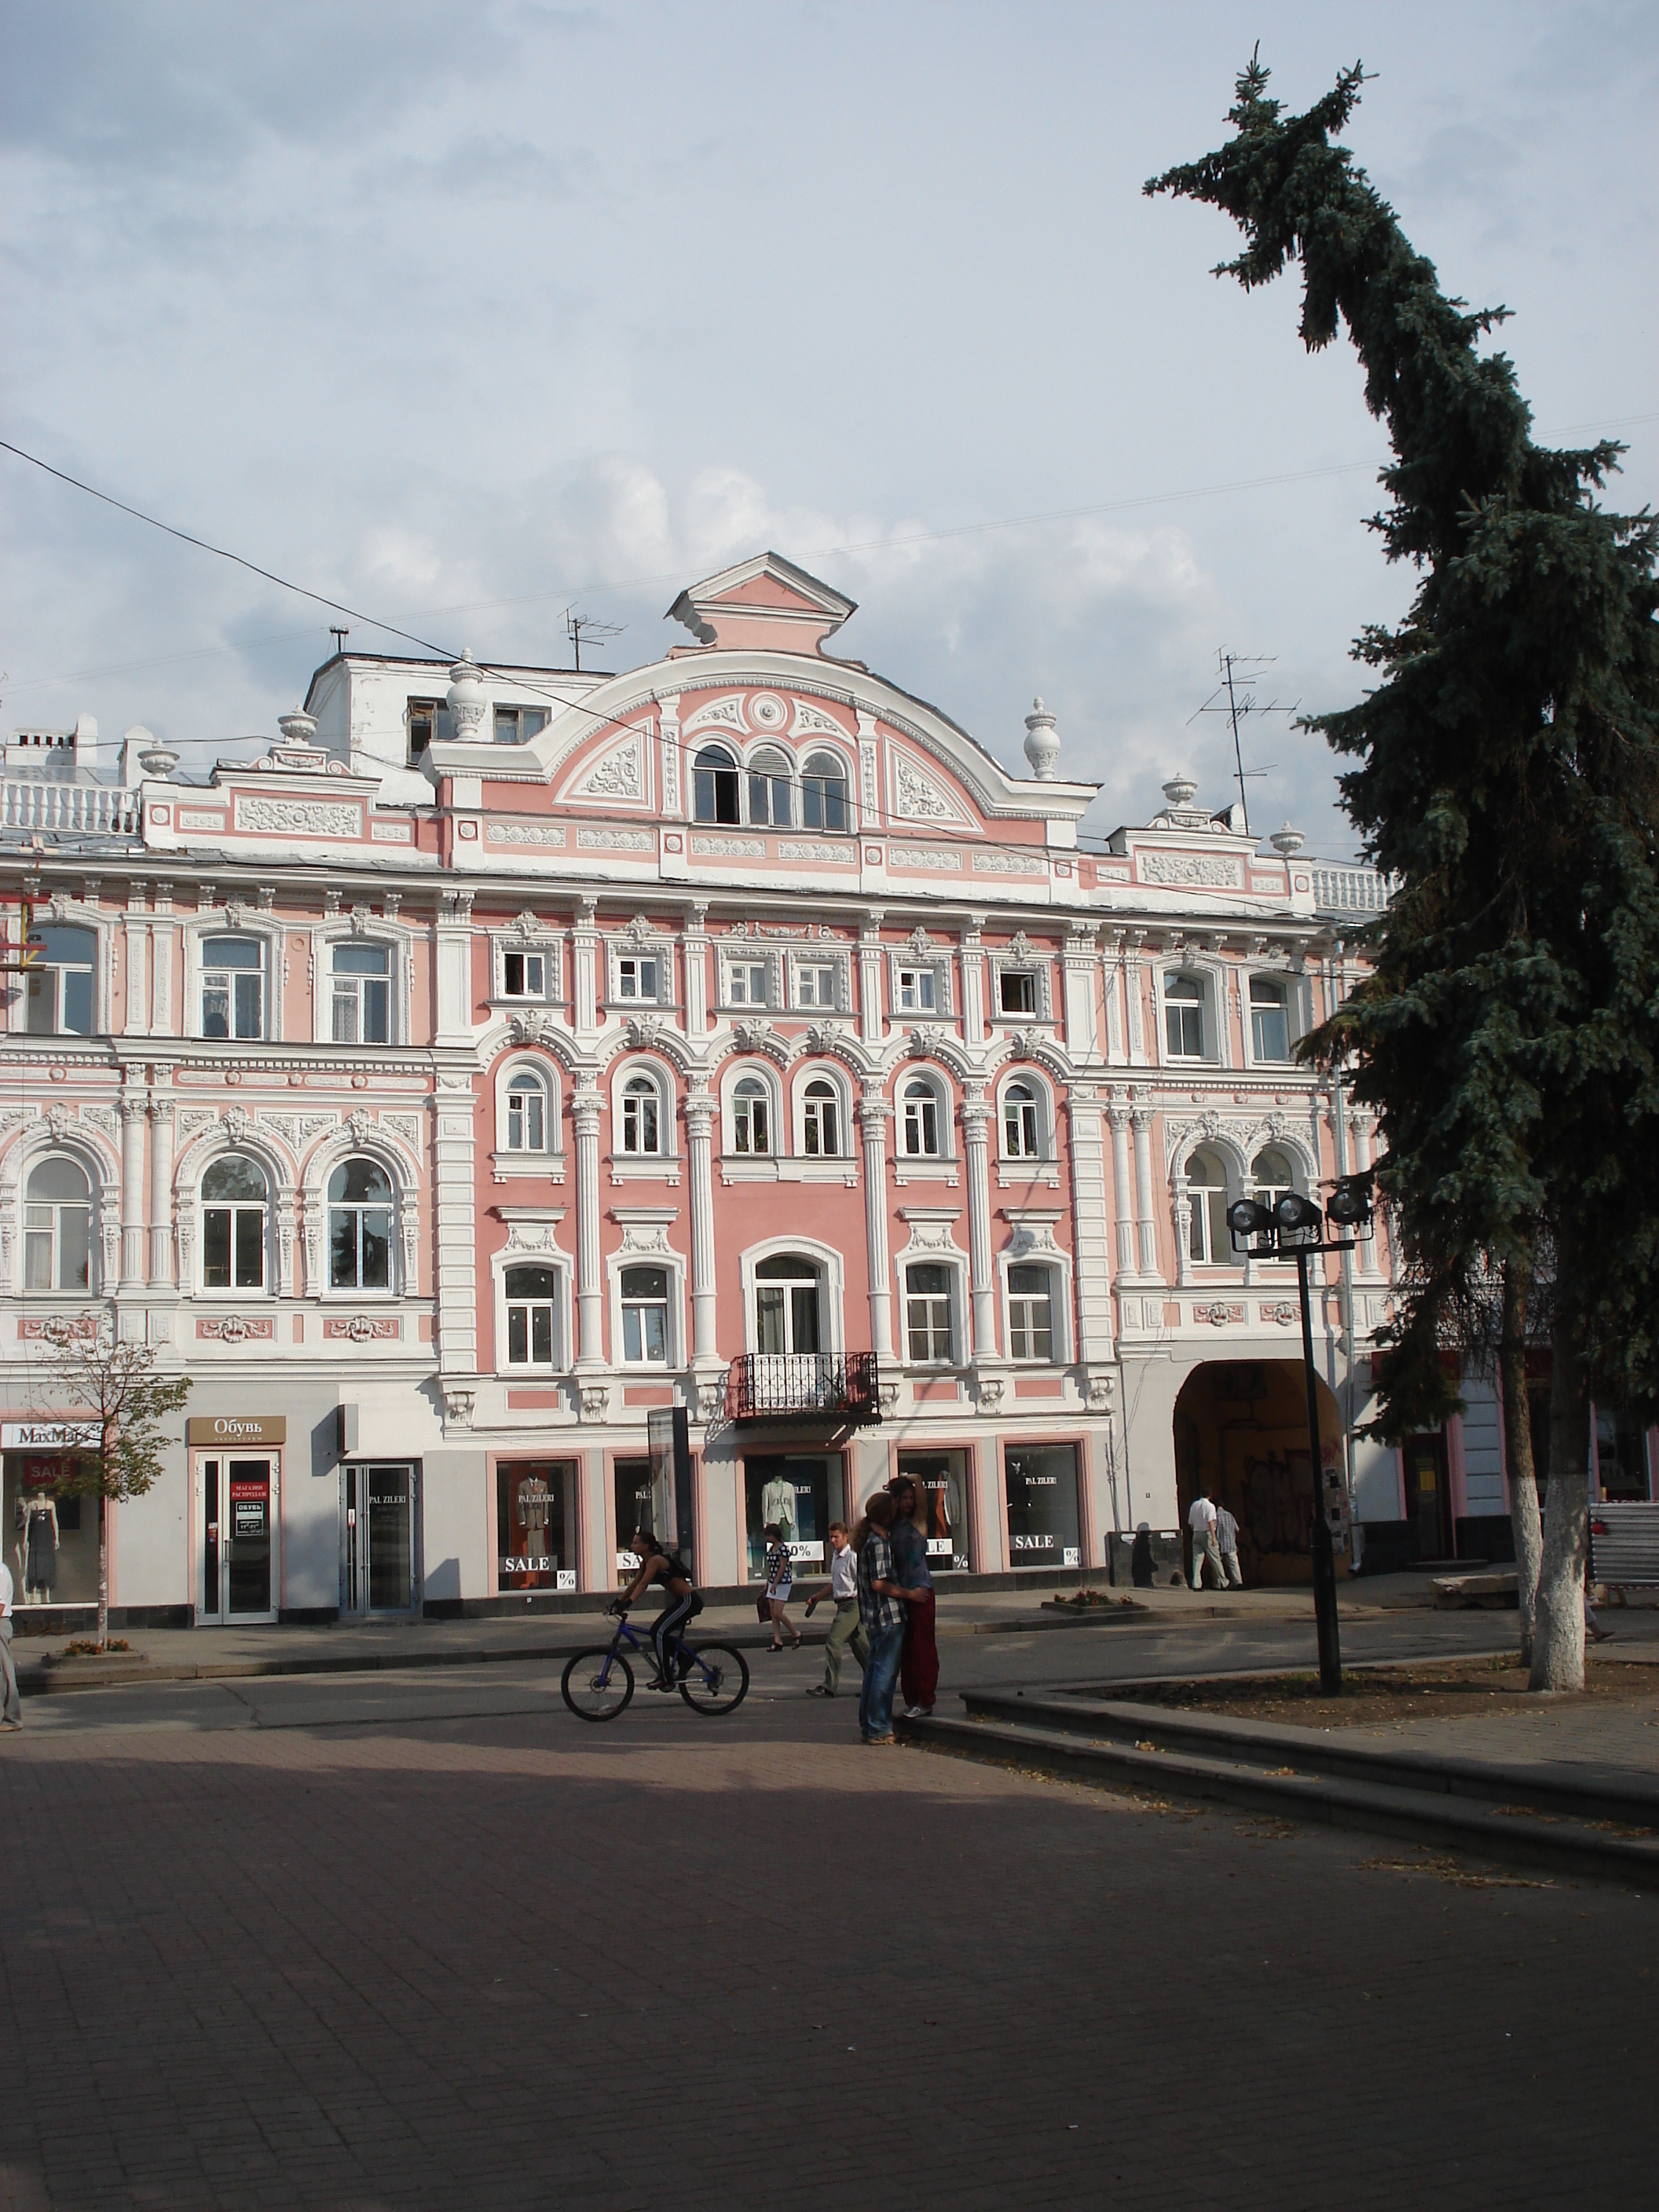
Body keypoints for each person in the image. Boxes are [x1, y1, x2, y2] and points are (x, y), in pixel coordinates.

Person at [853, 1493, 916, 1745]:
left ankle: (869, 1725)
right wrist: (910, 1594)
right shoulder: (878, 1544)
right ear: (887, 1516)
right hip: (887, 1616)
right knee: (885, 1672)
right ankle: (879, 1727)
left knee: (873, 1670)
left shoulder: (868, 1541)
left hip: (872, 1618)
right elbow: (880, 1583)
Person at [613, 1525, 701, 1689]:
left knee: (659, 1632)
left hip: (689, 1601)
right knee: (658, 1631)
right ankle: (684, 1659)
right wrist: (618, 1601)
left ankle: (666, 1676)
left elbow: (645, 1584)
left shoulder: (655, 1560)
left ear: (646, 1546)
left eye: (635, 1543)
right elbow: (634, 1584)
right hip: (682, 1602)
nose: (632, 1546)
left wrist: (629, 1603)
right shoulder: (646, 1563)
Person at [887, 1474, 938, 1719]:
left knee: (922, 1648)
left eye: (910, 1497)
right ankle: (912, 1699)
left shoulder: (918, 1521)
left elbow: (921, 1496)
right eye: (903, 1498)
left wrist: (914, 1480)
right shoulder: (891, 1526)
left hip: (922, 1591)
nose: (909, 1502)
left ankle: (926, 1699)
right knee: (905, 1651)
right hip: (903, 1593)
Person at [804, 1520, 868, 1697]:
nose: (833, 1541)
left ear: (846, 1537)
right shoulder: (836, 1556)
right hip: (841, 1604)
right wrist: (818, 1597)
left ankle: (829, 1686)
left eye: (836, 1537)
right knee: (861, 1646)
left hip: (852, 1605)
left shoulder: (852, 1557)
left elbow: (862, 1581)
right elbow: (836, 1584)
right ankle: (877, 1683)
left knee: (834, 1641)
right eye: (831, 1537)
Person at [760, 1523, 802, 1651]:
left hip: (783, 1583)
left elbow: (782, 1568)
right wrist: (768, 1583)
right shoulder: (771, 1549)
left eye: (769, 1535)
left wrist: (774, 1583)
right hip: (773, 1582)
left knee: (778, 1612)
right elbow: (771, 1568)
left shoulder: (783, 1549)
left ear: (775, 1535)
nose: (767, 1538)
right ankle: (777, 1640)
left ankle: (795, 1633)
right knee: (773, 1613)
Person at [1187, 1490, 1225, 1592]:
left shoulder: (1194, 1505)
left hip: (1196, 1532)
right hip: (1207, 1533)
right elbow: (1211, 1522)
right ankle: (1223, 1582)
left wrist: (1195, 1531)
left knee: (1197, 1560)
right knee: (1215, 1559)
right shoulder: (1210, 1506)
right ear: (1210, 1495)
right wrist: (1214, 1537)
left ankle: (1196, 1584)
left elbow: (1190, 1522)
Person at [0, 1551, 19, 1730]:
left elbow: (0, 1606)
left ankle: (12, 1718)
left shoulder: (0, 1572)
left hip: (1, 1624)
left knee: (6, 1673)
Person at [1214, 1499, 1244, 1588]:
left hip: (1219, 1544)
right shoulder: (1230, 1515)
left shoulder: (1215, 1516)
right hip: (1231, 1544)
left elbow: (1214, 1530)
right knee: (1234, 1564)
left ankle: (1219, 1583)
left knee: (1217, 1564)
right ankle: (1238, 1581)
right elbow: (1237, 1529)